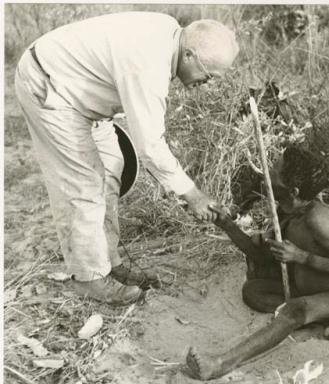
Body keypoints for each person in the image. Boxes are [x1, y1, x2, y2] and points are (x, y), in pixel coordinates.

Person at [15, 12, 239, 305]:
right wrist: (193, 195)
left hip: (83, 93)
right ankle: (90, 279)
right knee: (84, 184)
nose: (206, 83)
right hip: (53, 88)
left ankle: (109, 261)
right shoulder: (148, 63)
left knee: (112, 167)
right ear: (189, 54)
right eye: (208, 75)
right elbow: (150, 146)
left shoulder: (170, 34)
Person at [185, 146, 329, 380]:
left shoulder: (319, 219)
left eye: (275, 170)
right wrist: (226, 224)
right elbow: (260, 257)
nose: (267, 172)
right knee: (253, 291)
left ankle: (220, 363)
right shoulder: (286, 211)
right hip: (321, 284)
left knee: (296, 311)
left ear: (293, 190)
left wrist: (303, 257)